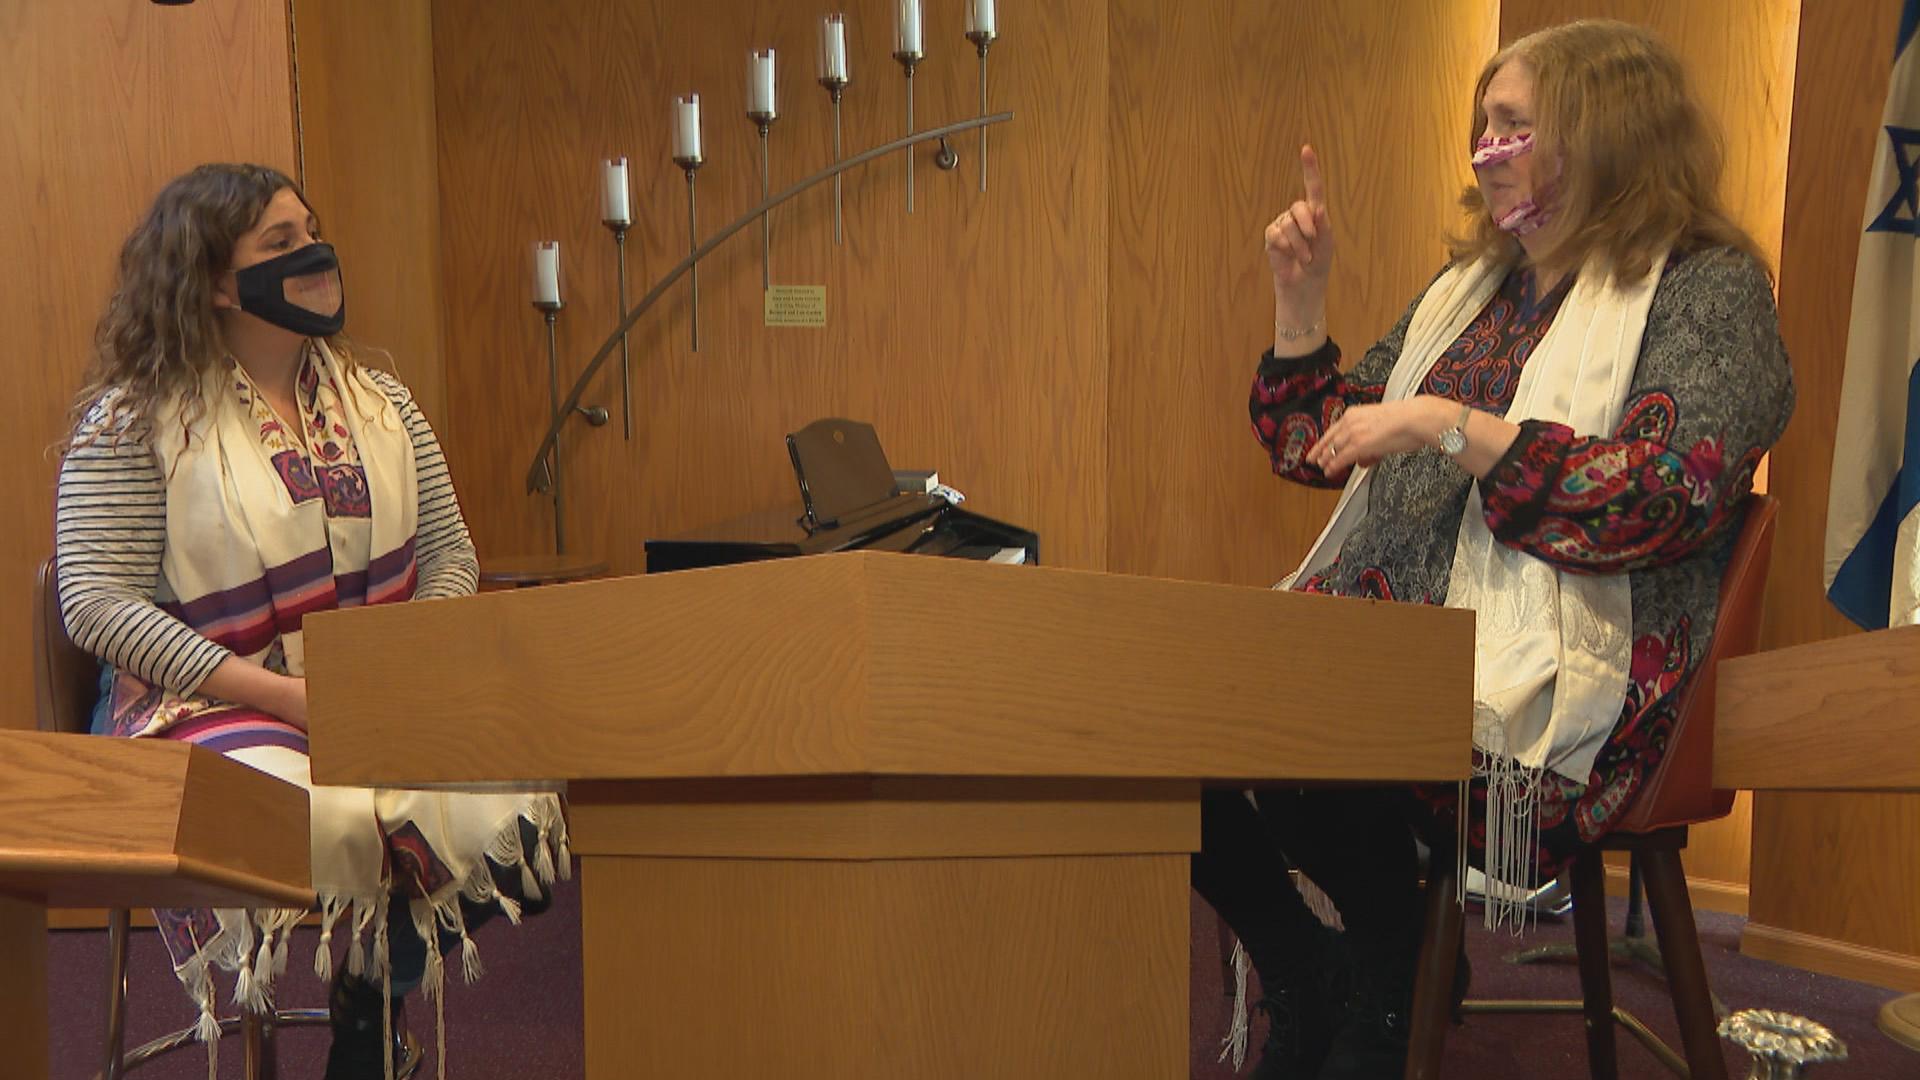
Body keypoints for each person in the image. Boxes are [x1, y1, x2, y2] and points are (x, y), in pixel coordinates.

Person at [1192, 20, 1795, 1080]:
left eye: (1514, 124)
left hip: (1576, 684)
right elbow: (1318, 442)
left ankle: (1384, 991)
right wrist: (1301, 303)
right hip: (1383, 645)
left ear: (1604, 135)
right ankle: (1313, 968)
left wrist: (1447, 426)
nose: (1484, 145)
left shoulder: (1710, 292)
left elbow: (1665, 497)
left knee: (1315, 716)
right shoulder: (1473, 289)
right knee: (1151, 711)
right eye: (1484, 124)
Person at [54, 163, 567, 1080]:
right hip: (195, 707)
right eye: (280, 244)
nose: (313, 254)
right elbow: (94, 603)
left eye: (313, 232)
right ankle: (368, 1012)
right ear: (213, 279)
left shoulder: (382, 402)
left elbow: (453, 556)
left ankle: (366, 999)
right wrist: (286, 698)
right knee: (309, 816)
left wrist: (396, 672)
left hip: (364, 693)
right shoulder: (131, 421)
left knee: (519, 806)